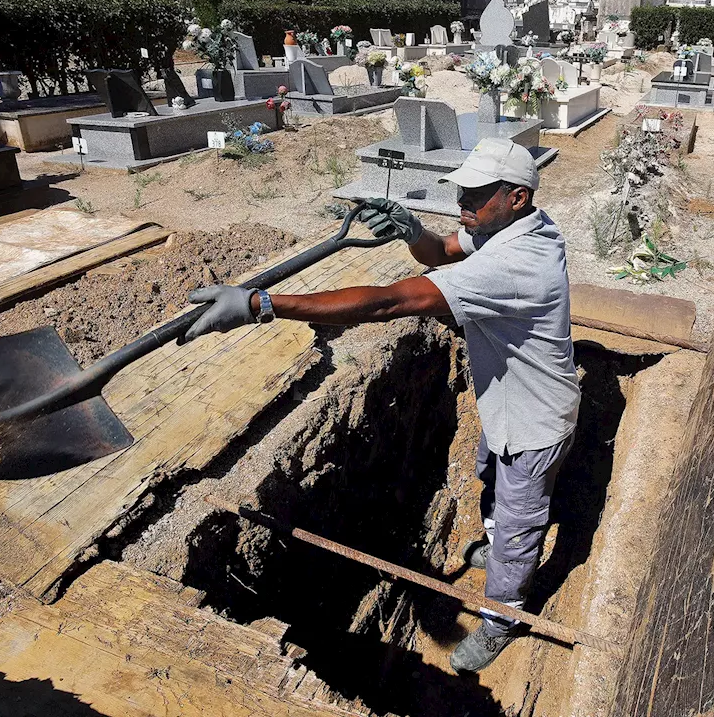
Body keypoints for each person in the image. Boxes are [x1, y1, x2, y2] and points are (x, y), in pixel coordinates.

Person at [185, 137, 580, 672]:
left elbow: (396, 299)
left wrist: (263, 304)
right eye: (462, 187)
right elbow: (443, 252)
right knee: (489, 470)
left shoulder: (517, 261)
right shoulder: (511, 225)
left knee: (520, 515)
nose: (463, 198)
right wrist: (415, 232)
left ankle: (503, 616)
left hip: (534, 415)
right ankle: (496, 545)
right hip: (504, 396)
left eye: (477, 192)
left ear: (515, 196)